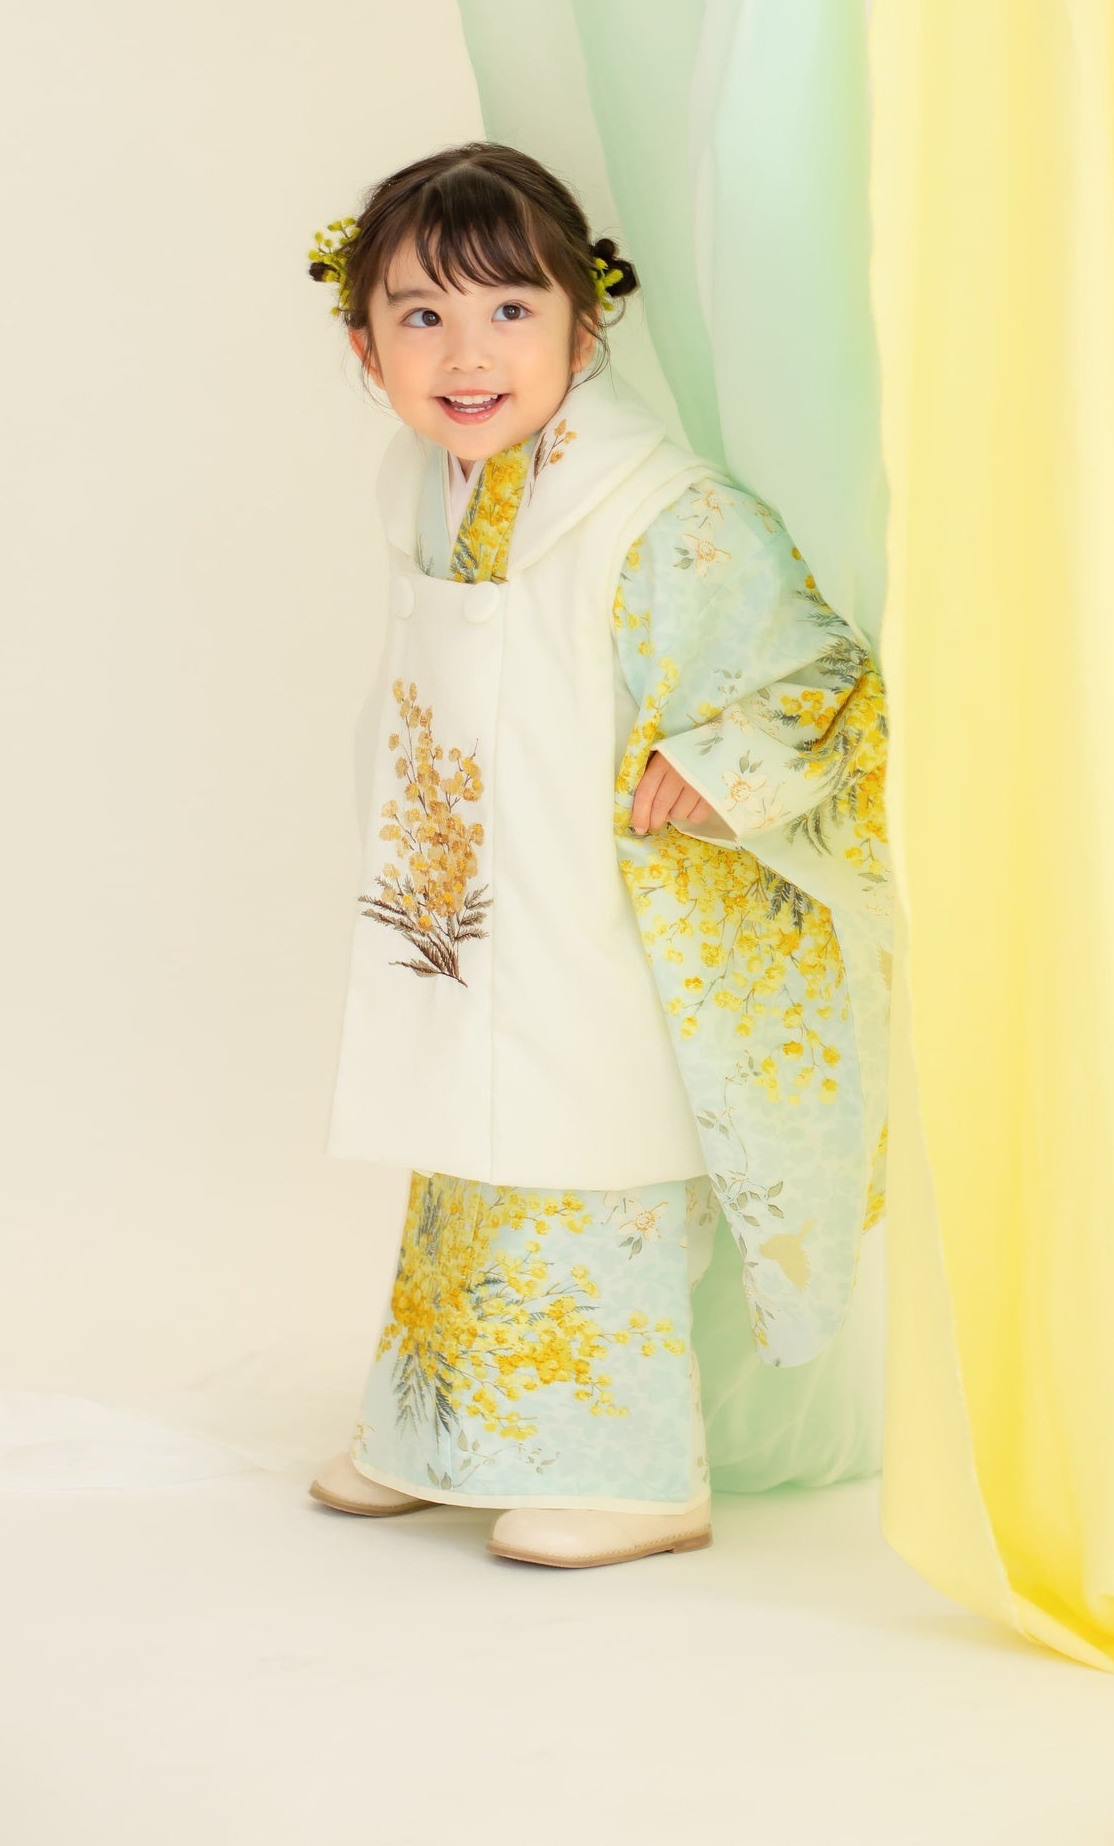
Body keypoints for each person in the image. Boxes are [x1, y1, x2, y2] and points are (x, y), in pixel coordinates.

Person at [303, 143, 890, 1569]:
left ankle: (632, 1478)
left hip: (604, 901)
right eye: (421, 314)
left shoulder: (659, 512)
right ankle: (436, 1434)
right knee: (466, 1155)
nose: (466, 353)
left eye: (511, 310)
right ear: (366, 343)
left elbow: (825, 676)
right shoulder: (428, 486)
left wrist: (724, 762)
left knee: (586, 1159)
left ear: (584, 327)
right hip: (477, 891)